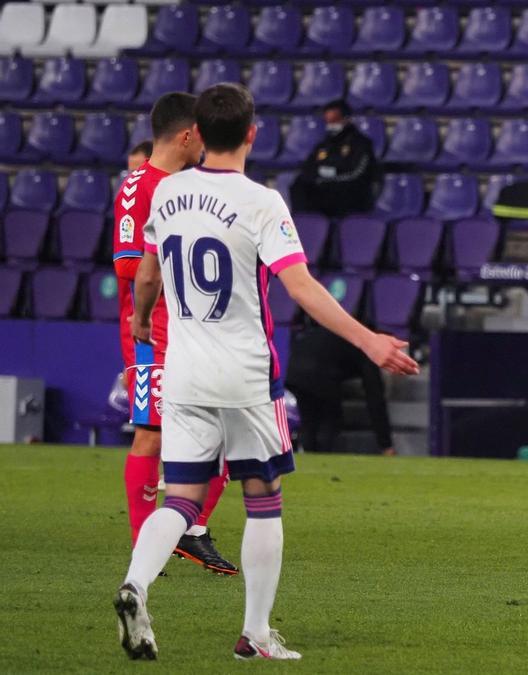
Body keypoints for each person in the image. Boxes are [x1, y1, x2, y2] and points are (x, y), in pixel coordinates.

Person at [113, 83, 419, 661]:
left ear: (197, 134)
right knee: (264, 497)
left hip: (182, 370)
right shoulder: (263, 202)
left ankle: (136, 585)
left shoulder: (167, 192)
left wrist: (143, 322)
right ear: (253, 133)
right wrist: (370, 341)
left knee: (178, 497)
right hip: (246, 374)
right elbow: (300, 287)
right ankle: (254, 635)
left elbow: (147, 275)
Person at [112, 93, 236, 575]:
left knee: (226, 427)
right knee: (152, 433)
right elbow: (127, 264)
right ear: (187, 135)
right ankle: (145, 544)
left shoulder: (185, 187)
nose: (205, 146)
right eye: (202, 136)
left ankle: (191, 528)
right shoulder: (139, 185)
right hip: (153, 328)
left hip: (195, 327)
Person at [285, 320, 396, 455]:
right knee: (329, 422)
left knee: (310, 423)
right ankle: (321, 457)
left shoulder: (353, 336)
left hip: (295, 370)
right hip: (320, 373)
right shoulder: (369, 348)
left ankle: (308, 454)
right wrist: (386, 444)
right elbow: (375, 396)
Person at [289, 99, 379, 218]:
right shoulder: (324, 144)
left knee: (337, 192)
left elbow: (355, 173)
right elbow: (309, 167)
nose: (331, 123)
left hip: (352, 192)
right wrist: (321, 174)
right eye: (328, 119)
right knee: (299, 185)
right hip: (326, 189)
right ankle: (303, 225)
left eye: (334, 119)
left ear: (346, 119)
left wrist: (329, 174)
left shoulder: (361, 143)